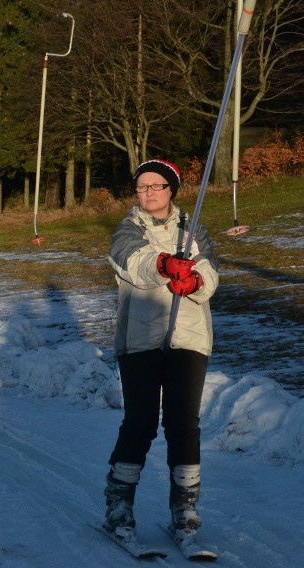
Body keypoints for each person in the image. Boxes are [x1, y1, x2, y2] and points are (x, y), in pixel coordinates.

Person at [102, 159, 219, 546]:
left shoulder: (193, 227)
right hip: (140, 340)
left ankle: (184, 509)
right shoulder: (128, 228)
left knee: (184, 425)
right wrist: (165, 264)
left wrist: (197, 278)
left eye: (157, 186)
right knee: (141, 423)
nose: (148, 192)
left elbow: (211, 270)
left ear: (172, 190)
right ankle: (119, 504)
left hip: (188, 336)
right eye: (142, 187)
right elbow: (131, 261)